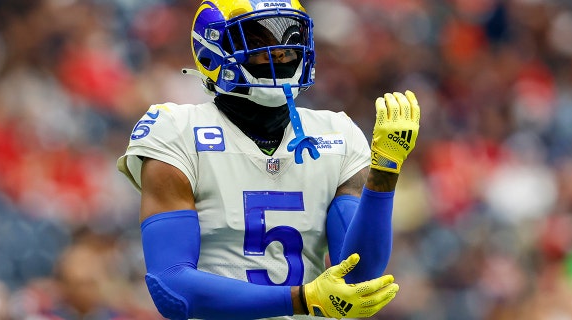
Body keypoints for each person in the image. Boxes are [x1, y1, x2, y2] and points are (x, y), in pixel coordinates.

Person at [117, 0, 420, 319]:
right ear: (213, 50)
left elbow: (359, 276)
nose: (279, 52)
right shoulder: (177, 130)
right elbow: (172, 287)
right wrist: (303, 299)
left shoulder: (337, 133)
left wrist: (385, 170)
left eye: (289, 40)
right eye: (259, 43)